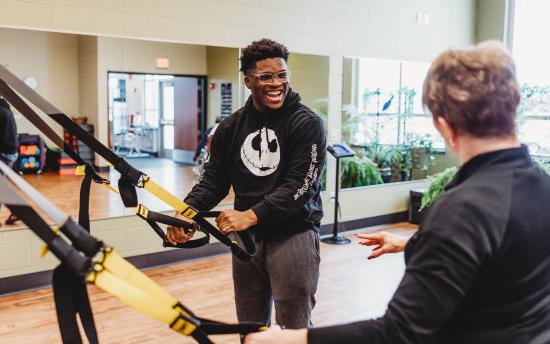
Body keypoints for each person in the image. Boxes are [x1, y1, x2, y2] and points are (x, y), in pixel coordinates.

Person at [245, 42, 550, 344]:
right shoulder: (539, 183)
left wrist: (294, 340)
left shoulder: (464, 208)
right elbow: (505, 249)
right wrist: (417, 244)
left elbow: (399, 333)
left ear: (444, 124)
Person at [167, 39, 327, 330]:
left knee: (294, 327)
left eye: (282, 74)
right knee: (250, 326)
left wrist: (249, 215)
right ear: (248, 81)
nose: (276, 83)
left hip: (292, 234)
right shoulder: (230, 127)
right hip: (247, 238)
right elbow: (213, 181)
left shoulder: (306, 123)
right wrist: (186, 212)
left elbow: (300, 187)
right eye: (266, 77)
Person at [0, 97, 19, 226]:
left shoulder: (1, 111)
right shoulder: (5, 109)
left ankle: (18, 210)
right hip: (10, 151)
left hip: (4, 152)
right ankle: (16, 210)